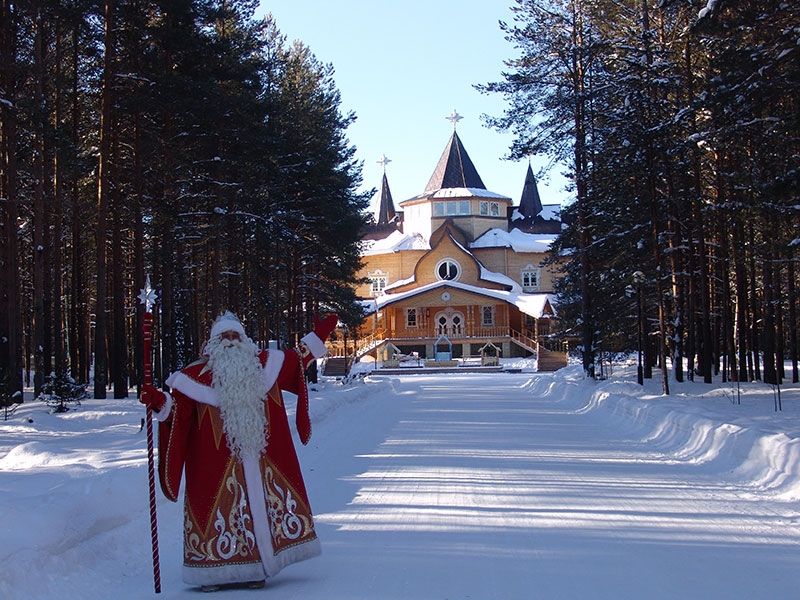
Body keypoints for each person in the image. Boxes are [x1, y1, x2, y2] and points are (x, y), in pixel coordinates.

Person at [141, 311, 337, 592]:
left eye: (235, 335)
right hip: (212, 465)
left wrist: (319, 336)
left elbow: (296, 359)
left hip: (260, 458)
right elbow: (178, 414)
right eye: (224, 337)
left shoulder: (264, 365)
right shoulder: (192, 378)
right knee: (215, 509)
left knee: (259, 506)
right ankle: (210, 573)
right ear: (212, 344)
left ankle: (257, 568)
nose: (231, 341)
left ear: (245, 340)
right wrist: (159, 402)